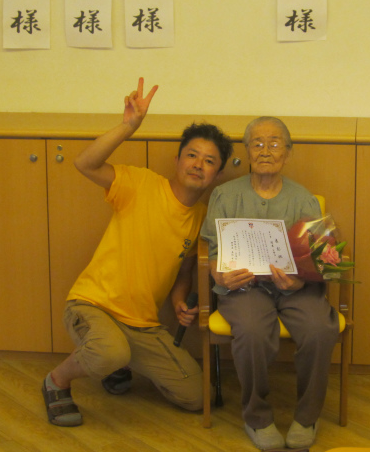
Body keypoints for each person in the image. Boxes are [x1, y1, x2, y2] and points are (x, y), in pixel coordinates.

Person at [41, 78, 233, 427]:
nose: (197, 164)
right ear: (177, 160)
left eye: (209, 161)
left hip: (143, 325)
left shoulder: (201, 219)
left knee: (197, 397)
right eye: (192, 155)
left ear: (217, 174)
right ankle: (58, 381)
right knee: (109, 350)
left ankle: (118, 361)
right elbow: (84, 163)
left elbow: (183, 272)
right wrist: (128, 126)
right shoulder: (141, 184)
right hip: (93, 305)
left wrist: (179, 300)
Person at [200, 116, 340, 451]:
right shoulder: (224, 195)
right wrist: (220, 274)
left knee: (319, 329)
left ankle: (307, 417)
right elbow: (211, 251)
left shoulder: (303, 199)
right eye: (258, 143)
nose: (266, 150)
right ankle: (257, 418)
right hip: (243, 287)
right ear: (247, 151)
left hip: (295, 289)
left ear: (287, 153)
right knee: (251, 332)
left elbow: (323, 257)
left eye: (275, 143)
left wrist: (299, 281)